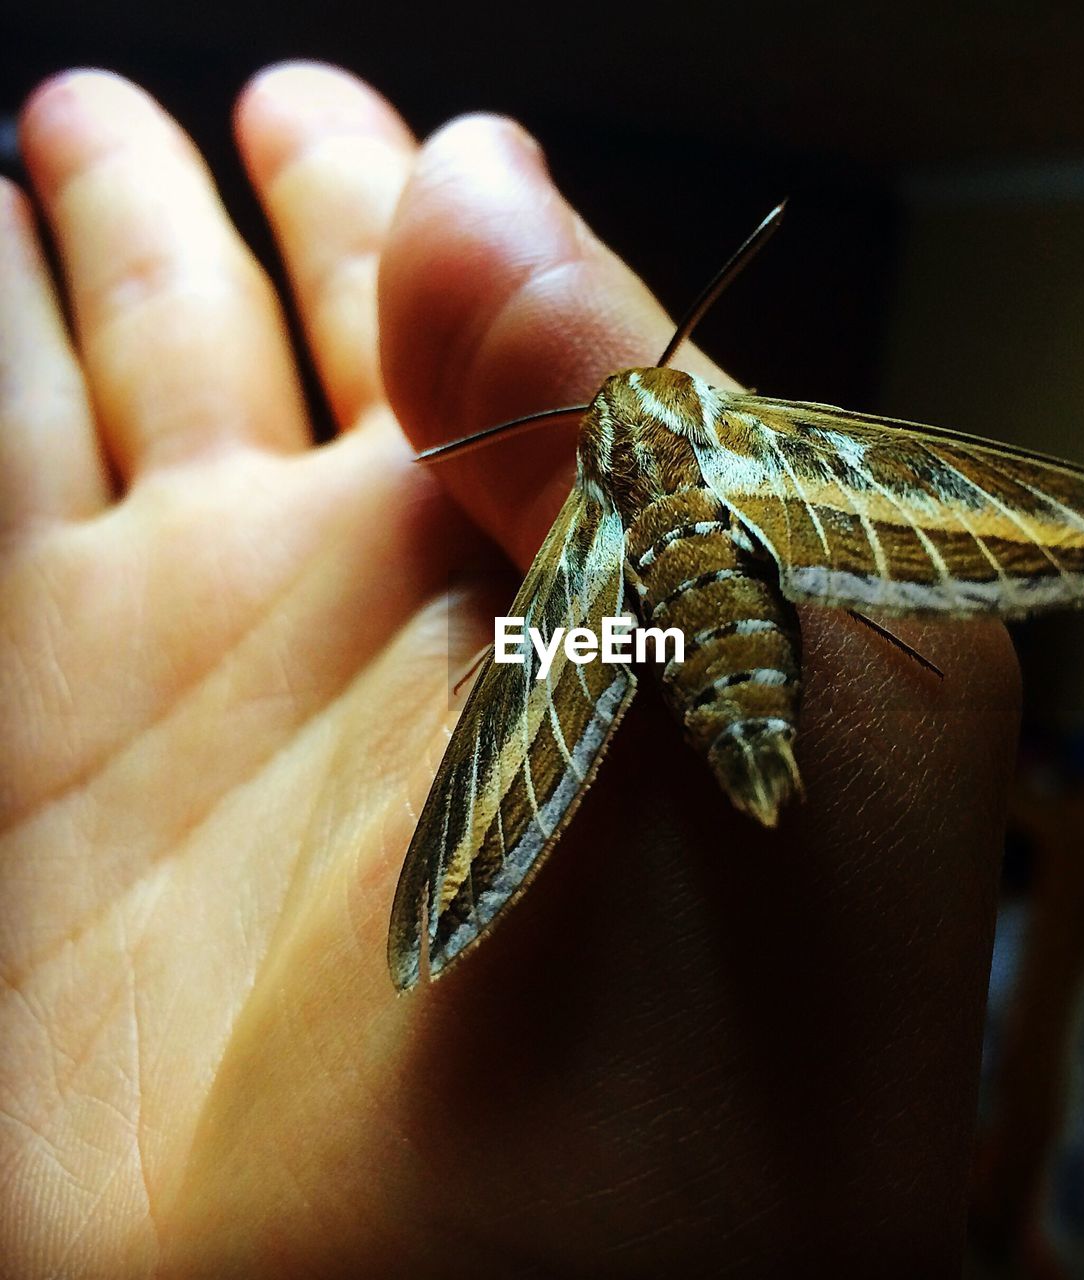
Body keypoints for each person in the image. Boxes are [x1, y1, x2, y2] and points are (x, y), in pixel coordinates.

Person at [0, 62, 1019, 1275]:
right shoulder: (733, 447)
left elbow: (573, 647)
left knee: (555, 662)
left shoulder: (593, 535)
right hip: (710, 656)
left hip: (643, 650)